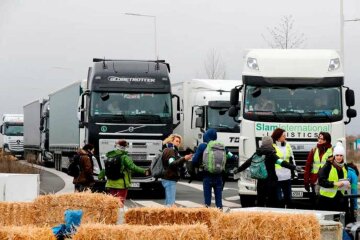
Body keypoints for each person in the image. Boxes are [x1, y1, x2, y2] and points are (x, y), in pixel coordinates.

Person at [233, 136, 301, 208]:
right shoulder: (272, 154)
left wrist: (238, 170)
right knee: (272, 203)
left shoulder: (257, 154)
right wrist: (294, 167)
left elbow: (247, 163)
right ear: (270, 143)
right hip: (271, 182)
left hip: (261, 182)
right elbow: (282, 162)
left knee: (260, 202)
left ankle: (260, 216)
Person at [192, 128, 237, 209]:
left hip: (207, 176)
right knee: (219, 200)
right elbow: (233, 157)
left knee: (207, 201)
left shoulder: (202, 146)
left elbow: (194, 161)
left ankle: (208, 217)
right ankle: (220, 216)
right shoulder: (222, 147)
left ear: (206, 136)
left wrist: (200, 165)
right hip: (219, 176)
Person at [98, 139, 150, 205]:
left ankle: (113, 214)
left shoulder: (110, 156)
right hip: (121, 183)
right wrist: (144, 171)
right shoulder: (124, 157)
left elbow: (105, 169)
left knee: (112, 203)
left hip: (110, 183)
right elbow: (133, 167)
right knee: (120, 202)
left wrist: (100, 176)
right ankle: (119, 215)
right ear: (125, 147)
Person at [318, 142, 350, 223]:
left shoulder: (345, 166)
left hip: (340, 198)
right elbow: (321, 181)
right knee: (327, 222)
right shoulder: (328, 165)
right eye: (337, 155)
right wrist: (334, 183)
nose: (339, 157)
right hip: (327, 199)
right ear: (334, 155)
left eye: (341, 155)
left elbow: (343, 179)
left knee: (340, 222)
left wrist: (347, 185)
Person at [161, 134, 193, 206]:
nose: (178, 143)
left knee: (168, 203)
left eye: (179, 142)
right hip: (170, 178)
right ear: (171, 141)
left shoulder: (168, 149)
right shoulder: (170, 150)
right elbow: (172, 163)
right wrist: (184, 159)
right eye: (176, 141)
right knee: (170, 204)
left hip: (167, 178)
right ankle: (169, 217)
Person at [271, 128, 296, 208]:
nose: (285, 137)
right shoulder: (272, 146)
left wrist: (294, 172)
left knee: (289, 199)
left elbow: (292, 159)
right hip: (277, 177)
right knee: (279, 200)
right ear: (278, 137)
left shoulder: (287, 145)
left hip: (287, 176)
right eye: (283, 135)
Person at [304, 132, 333, 199]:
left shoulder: (332, 151)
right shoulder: (314, 150)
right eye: (319, 138)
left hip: (326, 180)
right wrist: (306, 181)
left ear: (326, 140)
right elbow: (308, 166)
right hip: (314, 180)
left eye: (322, 139)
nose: (319, 140)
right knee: (315, 201)